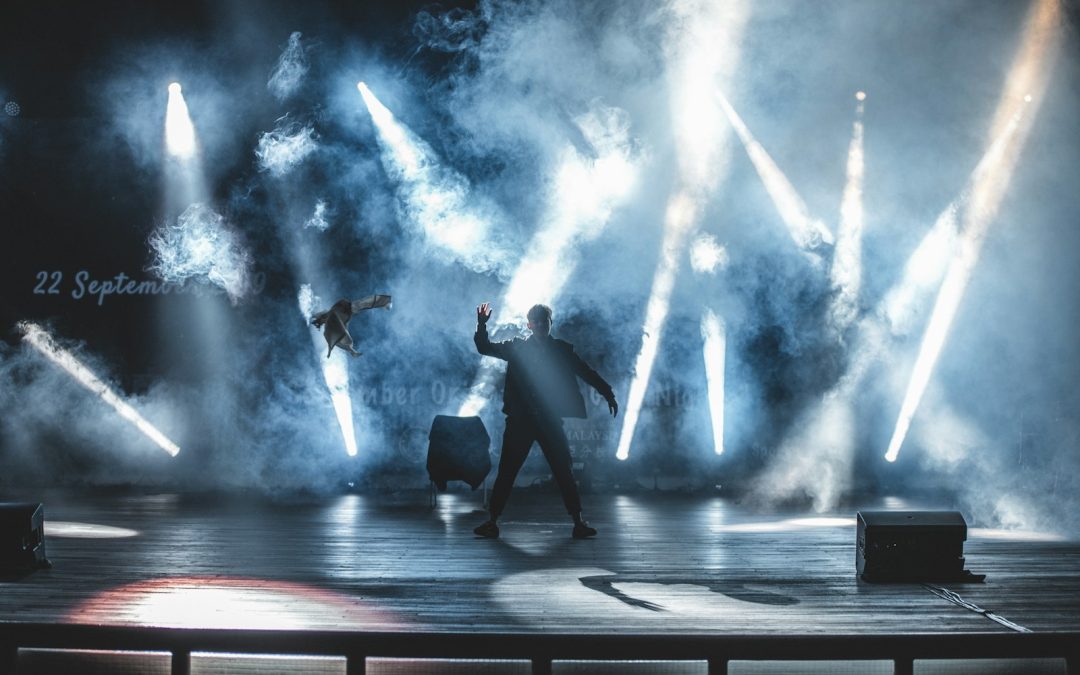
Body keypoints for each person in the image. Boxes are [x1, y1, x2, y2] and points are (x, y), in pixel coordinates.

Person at [472, 302, 618, 539]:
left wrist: (607, 393)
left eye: (544, 321)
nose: (540, 325)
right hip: (521, 421)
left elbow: (585, 371)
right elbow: (484, 347)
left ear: (550, 323)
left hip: (549, 420)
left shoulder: (561, 350)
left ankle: (578, 522)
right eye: (536, 321)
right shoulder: (517, 348)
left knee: (564, 471)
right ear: (529, 325)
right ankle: (492, 521)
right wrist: (481, 325)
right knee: (507, 471)